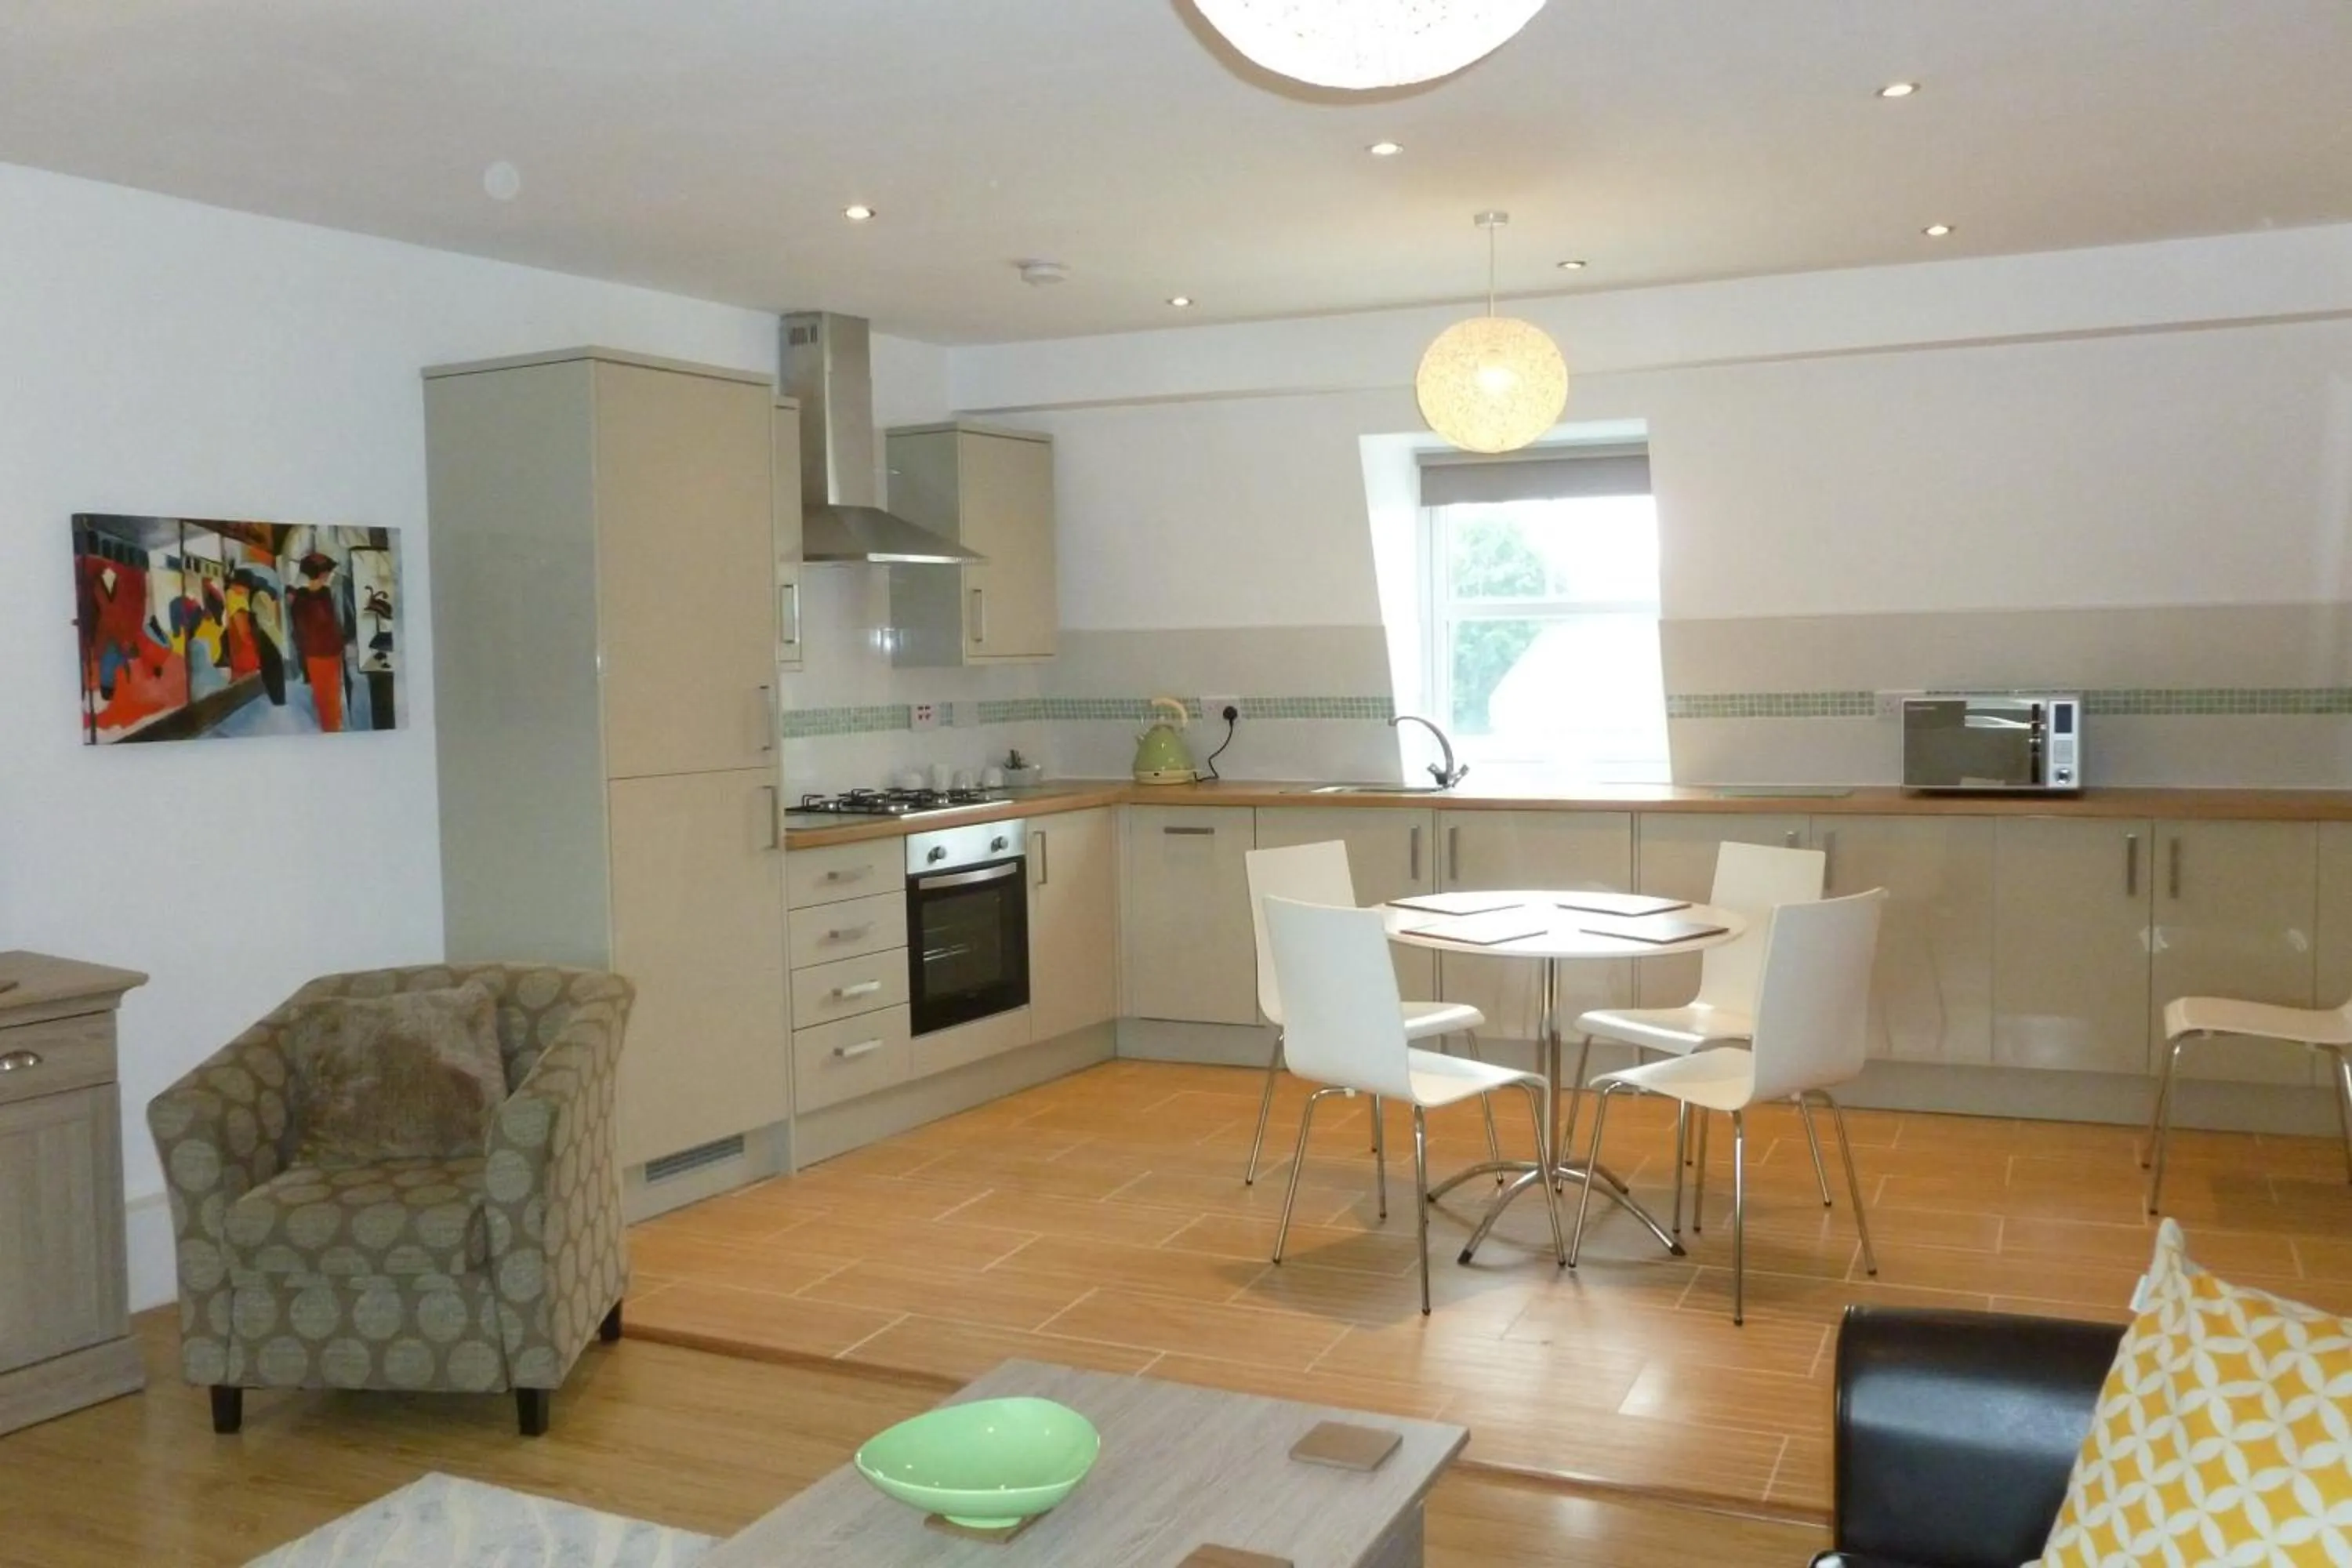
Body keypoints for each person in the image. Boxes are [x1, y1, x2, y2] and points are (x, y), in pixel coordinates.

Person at [288, 551, 347, 731]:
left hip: (327, 651)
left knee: (331, 692)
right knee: (326, 694)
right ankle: (331, 728)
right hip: (320, 653)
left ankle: (332, 725)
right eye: (327, 572)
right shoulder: (306, 598)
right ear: (321, 574)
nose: (329, 575)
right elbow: (301, 630)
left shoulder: (318, 594)